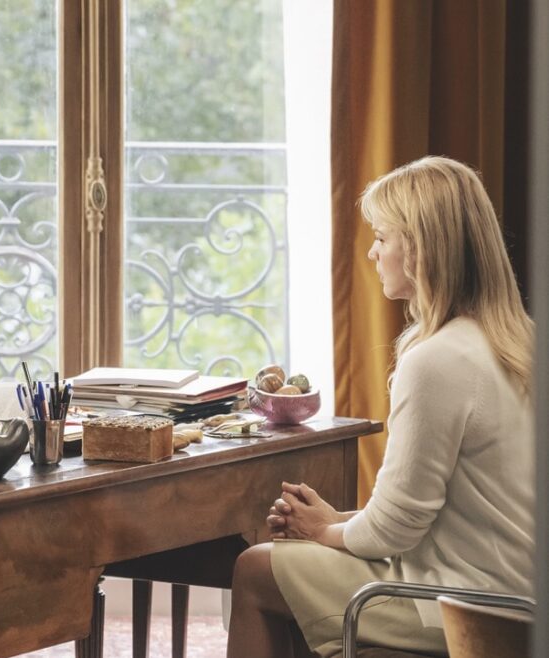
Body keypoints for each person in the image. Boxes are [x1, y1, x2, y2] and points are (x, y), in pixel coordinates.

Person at [226, 156, 534, 657]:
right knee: (294, 562)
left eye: (382, 237)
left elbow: (396, 528)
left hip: (462, 607)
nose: (372, 252)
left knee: (256, 568)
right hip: (523, 604)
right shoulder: (520, 343)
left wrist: (323, 531)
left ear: (419, 247)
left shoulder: (436, 360)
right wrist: (336, 521)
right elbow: (449, 510)